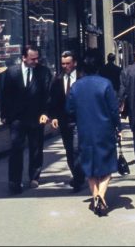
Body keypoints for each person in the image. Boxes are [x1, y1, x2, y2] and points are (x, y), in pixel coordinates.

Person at [66, 49, 121, 217]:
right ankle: (101, 196)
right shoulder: (105, 84)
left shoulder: (76, 86)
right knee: (107, 166)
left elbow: (69, 109)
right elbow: (113, 110)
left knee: (90, 167)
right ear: (98, 67)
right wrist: (118, 127)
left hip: (85, 130)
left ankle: (94, 195)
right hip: (104, 130)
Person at [0, 44, 52, 195]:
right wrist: (4, 115)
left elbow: (48, 94)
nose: (36, 61)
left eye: (37, 58)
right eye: (32, 59)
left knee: (36, 148)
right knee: (16, 147)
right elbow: (5, 95)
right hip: (17, 118)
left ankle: (34, 176)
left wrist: (46, 113)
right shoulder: (11, 73)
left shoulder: (43, 72)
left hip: (36, 117)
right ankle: (14, 181)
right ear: (23, 58)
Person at [46, 51, 85, 192]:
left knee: (76, 148)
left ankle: (79, 178)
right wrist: (53, 116)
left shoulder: (82, 78)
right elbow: (53, 100)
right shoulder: (57, 79)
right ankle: (76, 174)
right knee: (69, 150)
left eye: (68, 63)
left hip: (79, 120)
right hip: (64, 120)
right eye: (63, 64)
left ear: (75, 63)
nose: (65, 66)